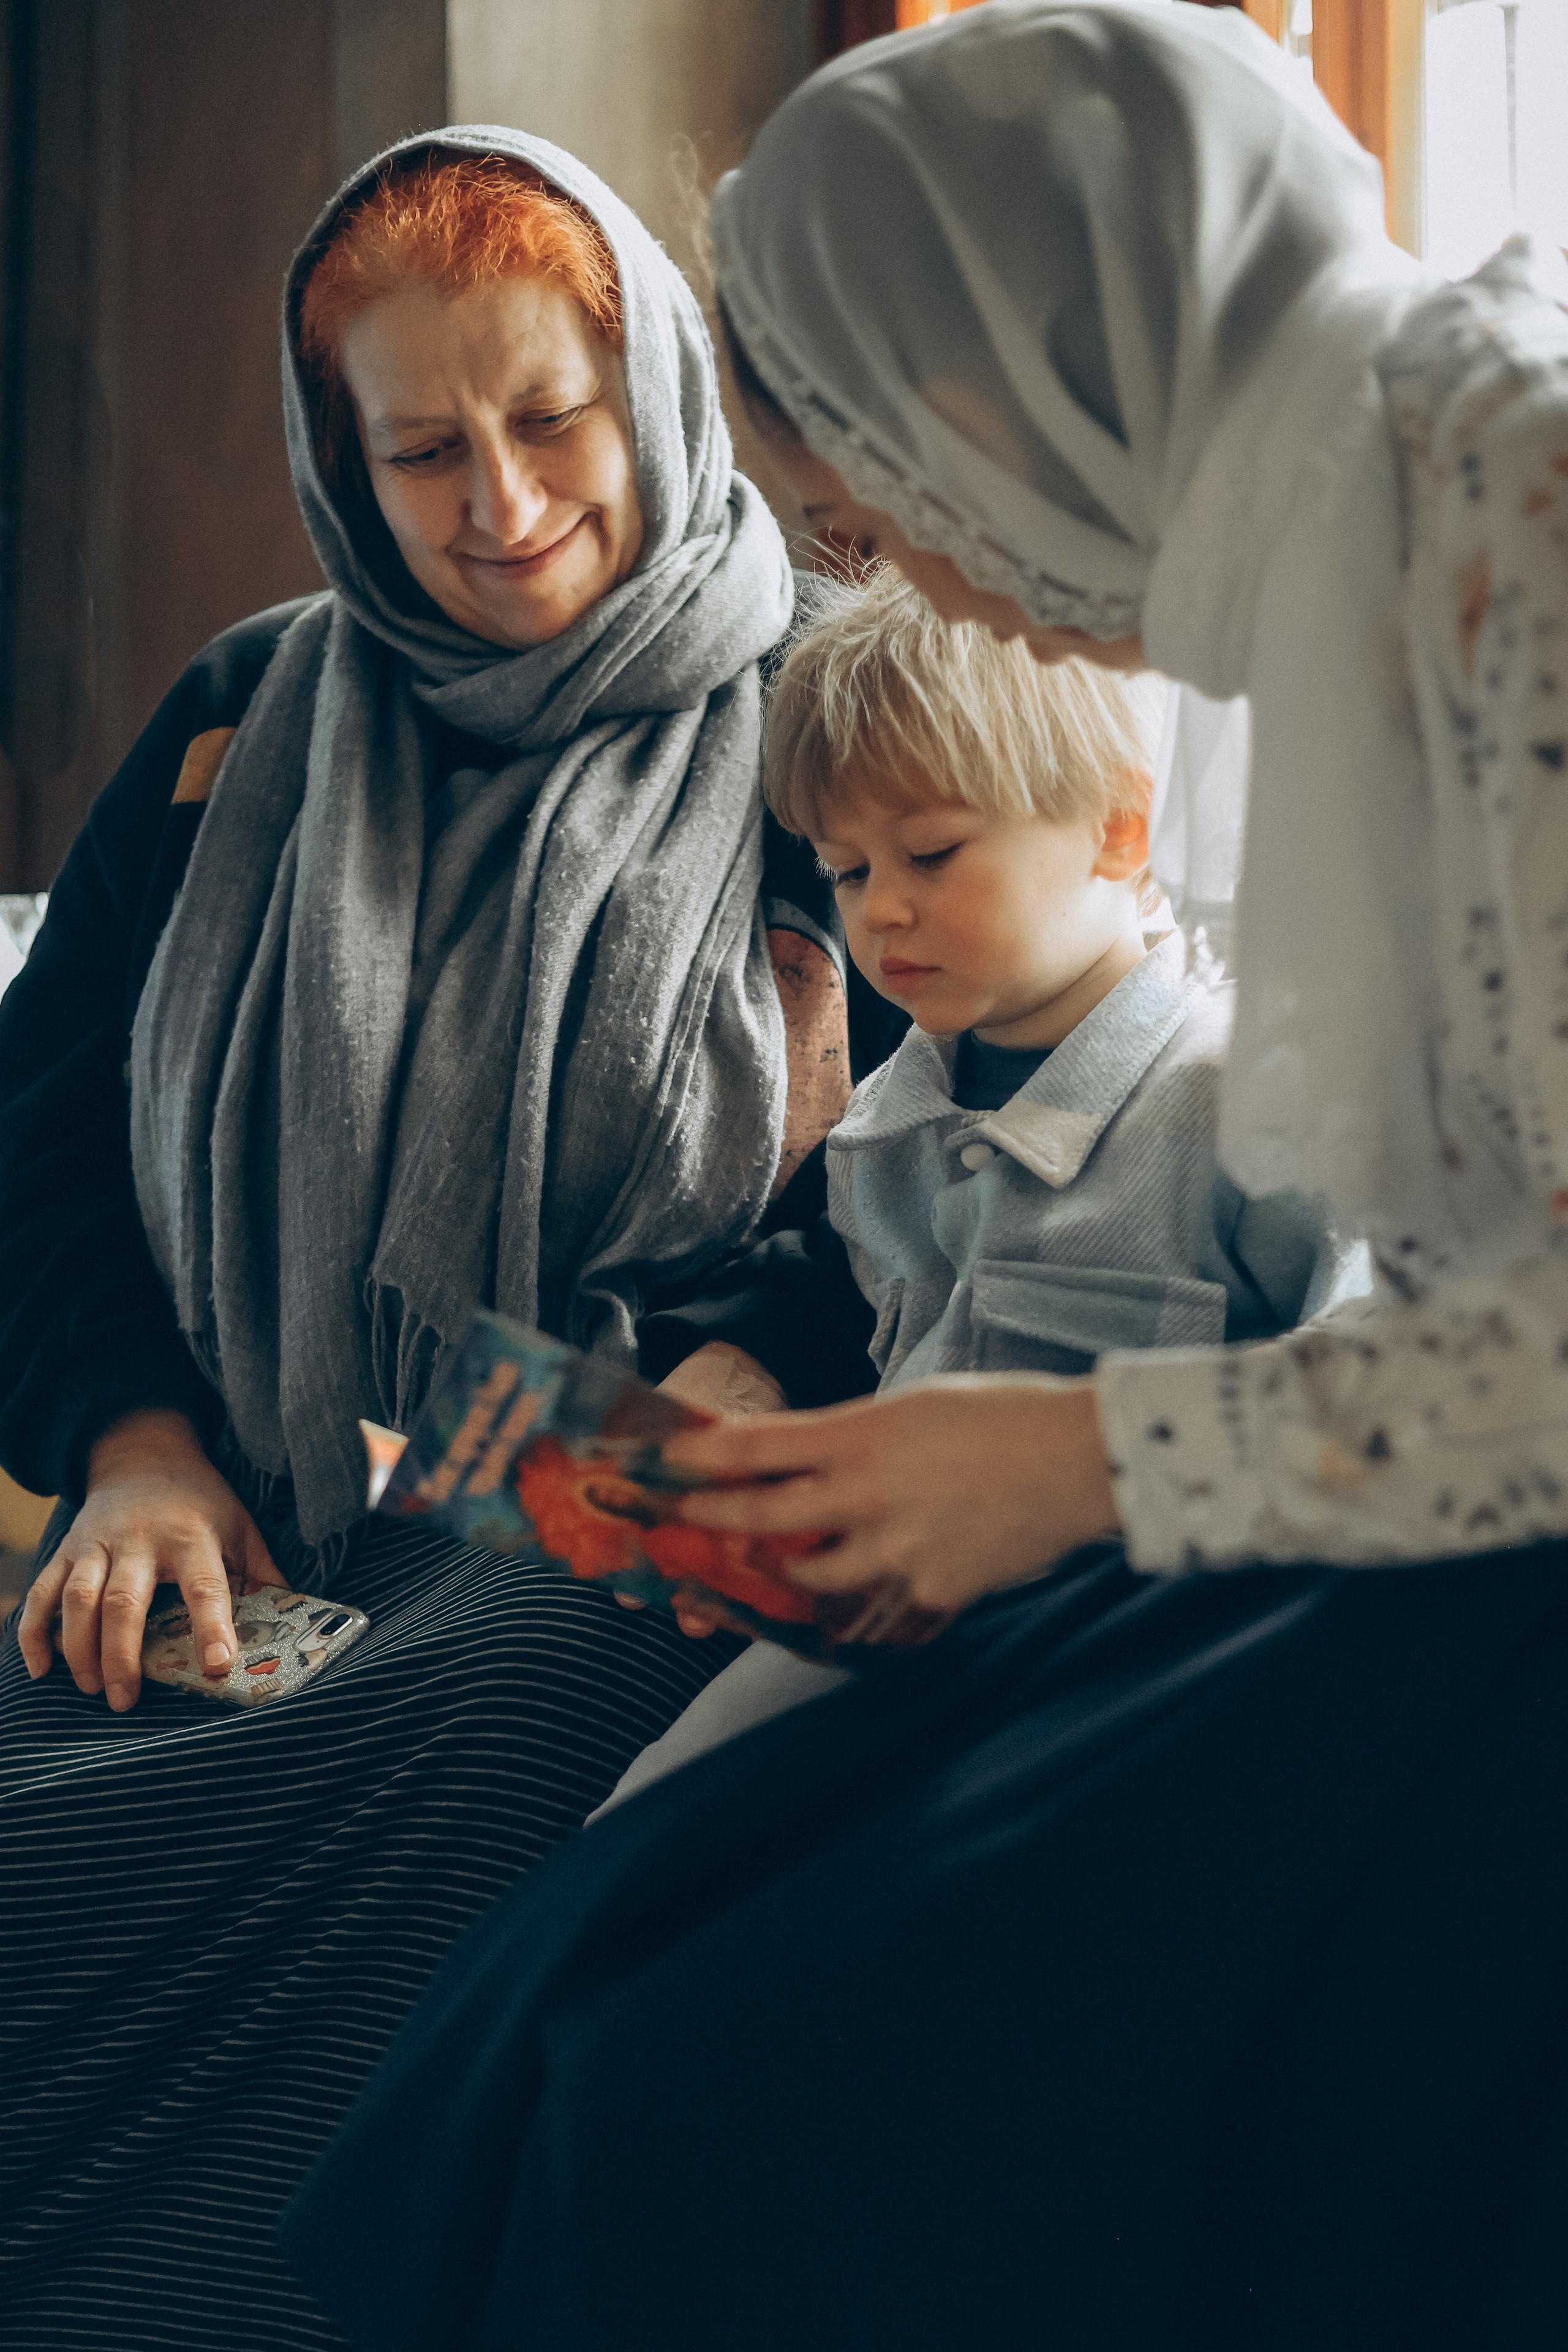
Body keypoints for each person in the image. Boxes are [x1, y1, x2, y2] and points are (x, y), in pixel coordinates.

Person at [281, 11, 1568, 2350]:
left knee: (699, 2055)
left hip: (1468, 1599)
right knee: (597, 1967)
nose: (943, 605)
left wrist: (1065, 1465)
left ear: (1037, 375)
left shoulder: (1517, 508)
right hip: (1368, 1540)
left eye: (895, 522)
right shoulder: (1386, 516)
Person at [0, 127, 878, 2351]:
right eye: (420, 448)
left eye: (550, 417)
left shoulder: (842, 720)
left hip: (594, 1485)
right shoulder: (234, 724)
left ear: (650, 387)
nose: (498, 503)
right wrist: (134, 1445)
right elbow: (42, 1150)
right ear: (340, 463)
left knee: (509, 1743)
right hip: (244, 1485)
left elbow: (942, 1160)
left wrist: (739, 1370)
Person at [608, 559, 1339, 1803]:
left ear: (1121, 825)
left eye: (931, 852)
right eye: (845, 871)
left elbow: (1362, 1386)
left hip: (1128, 1687)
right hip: (876, 1651)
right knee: (633, 1842)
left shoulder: (1252, 1105)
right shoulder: (882, 1126)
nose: (880, 912)